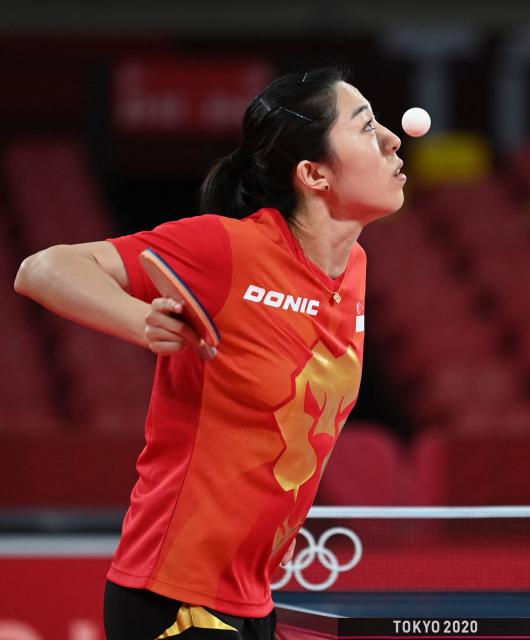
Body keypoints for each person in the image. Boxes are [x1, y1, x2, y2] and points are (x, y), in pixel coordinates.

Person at [14, 66, 406, 639]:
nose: (393, 139)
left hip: (253, 599)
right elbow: (42, 269)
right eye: (368, 127)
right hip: (174, 596)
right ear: (314, 173)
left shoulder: (354, 271)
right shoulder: (229, 249)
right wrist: (138, 322)